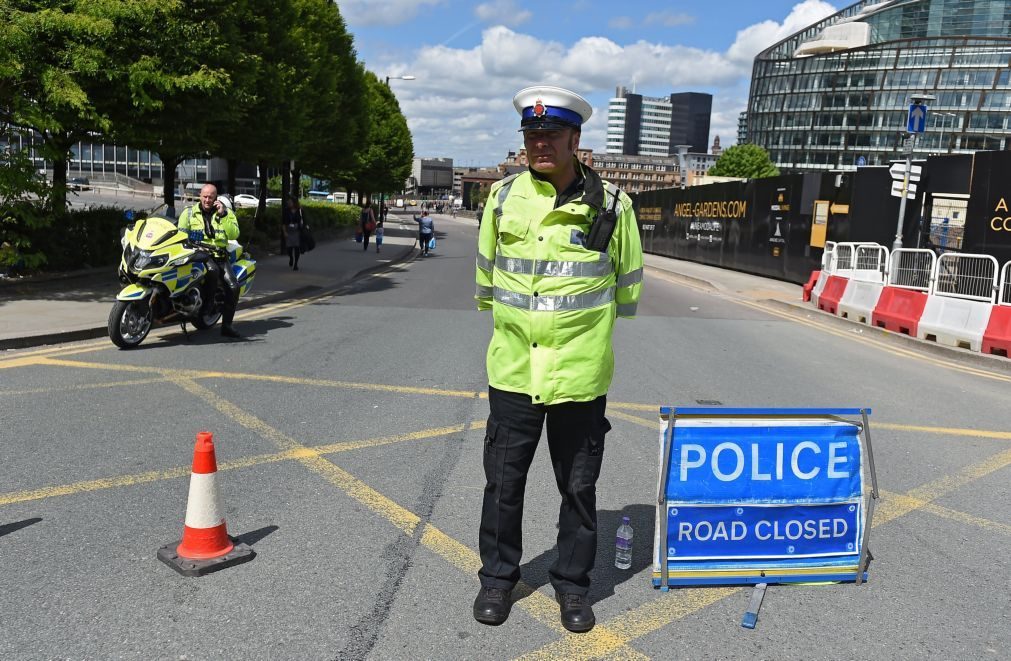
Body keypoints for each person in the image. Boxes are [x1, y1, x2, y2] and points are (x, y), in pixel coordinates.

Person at [472, 85, 643, 633]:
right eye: (531, 135)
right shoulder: (500, 200)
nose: (539, 144)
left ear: (575, 139)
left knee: (579, 488)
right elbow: (486, 283)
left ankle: (573, 587)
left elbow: (628, 290)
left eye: (550, 135)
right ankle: (498, 581)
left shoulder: (615, 206)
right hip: (515, 370)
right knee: (503, 484)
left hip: (579, 374)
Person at [177, 183, 243, 338]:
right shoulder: (188, 214)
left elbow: (234, 234)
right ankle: (204, 306)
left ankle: (227, 325)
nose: (207, 200)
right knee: (211, 271)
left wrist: (223, 215)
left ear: (216, 198)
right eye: (205, 196)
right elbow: (180, 235)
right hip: (196, 254)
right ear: (200, 196)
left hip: (219, 256)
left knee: (233, 287)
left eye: (211, 197)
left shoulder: (226, 213)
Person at [283, 198, 304, 270]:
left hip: (297, 231)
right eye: (288, 203)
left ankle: (296, 264)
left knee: (297, 247)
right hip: (289, 230)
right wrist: (284, 231)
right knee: (289, 248)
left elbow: (304, 220)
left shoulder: (300, 210)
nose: (289, 204)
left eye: (290, 202)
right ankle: (291, 257)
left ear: (294, 203)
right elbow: (283, 222)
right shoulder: (286, 211)